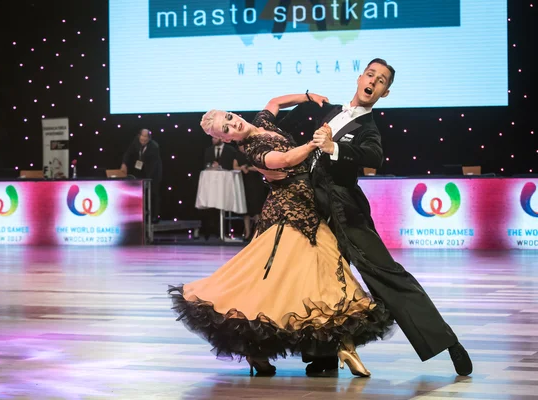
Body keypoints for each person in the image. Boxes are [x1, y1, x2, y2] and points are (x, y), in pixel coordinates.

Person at [169, 94, 394, 377]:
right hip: (288, 210)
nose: (232, 124)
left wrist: (308, 95)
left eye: (229, 117)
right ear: (225, 140)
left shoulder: (260, 122)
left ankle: (330, 346)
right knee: (282, 278)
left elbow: (274, 102)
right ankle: (330, 346)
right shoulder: (251, 149)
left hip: (309, 203)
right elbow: (285, 159)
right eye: (225, 129)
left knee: (321, 269)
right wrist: (315, 144)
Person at [286, 58, 472, 376]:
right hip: (318, 212)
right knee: (322, 282)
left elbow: (374, 156)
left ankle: (446, 341)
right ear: (360, 78)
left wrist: (335, 147)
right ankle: (326, 355)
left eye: (382, 80)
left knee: (387, 276)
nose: (374, 81)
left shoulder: (368, 128)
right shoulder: (332, 112)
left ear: (384, 93)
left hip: (347, 213)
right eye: (371, 74)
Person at [121, 129, 163, 223]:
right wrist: (124, 163)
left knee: (153, 194)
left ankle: (154, 217)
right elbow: (128, 154)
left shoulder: (154, 147)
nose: (143, 139)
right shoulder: (135, 143)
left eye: (146, 137)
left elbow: (153, 165)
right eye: (142, 137)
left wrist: (147, 178)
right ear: (139, 136)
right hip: (141, 171)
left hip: (154, 173)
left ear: (149, 138)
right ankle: (140, 215)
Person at [233, 148, 268, 240]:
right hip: (244, 183)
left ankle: (258, 233)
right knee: (246, 210)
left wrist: (248, 168)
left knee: (257, 209)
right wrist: (241, 168)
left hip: (255, 183)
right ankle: (247, 233)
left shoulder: (254, 153)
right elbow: (234, 166)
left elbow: (260, 167)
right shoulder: (238, 154)